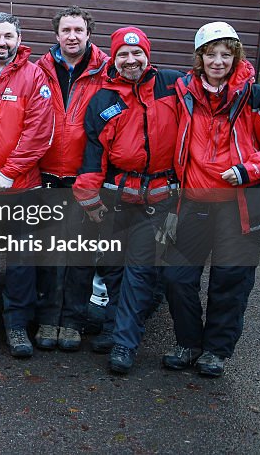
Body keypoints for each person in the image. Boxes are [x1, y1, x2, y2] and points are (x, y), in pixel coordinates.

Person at [162, 22, 260, 377]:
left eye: (225, 54)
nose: (218, 61)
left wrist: (249, 169)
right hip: (195, 201)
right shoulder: (184, 94)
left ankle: (215, 351)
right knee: (176, 276)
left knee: (230, 280)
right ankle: (188, 343)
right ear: (200, 57)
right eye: (211, 54)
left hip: (240, 204)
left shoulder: (255, 96)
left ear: (235, 56)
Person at [73, 27, 182, 374]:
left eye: (137, 54)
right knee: (113, 267)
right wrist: (88, 197)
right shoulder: (104, 99)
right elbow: (94, 154)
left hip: (161, 196)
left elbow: (215, 89)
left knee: (139, 271)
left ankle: (124, 343)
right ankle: (114, 327)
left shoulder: (173, 86)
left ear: (147, 55)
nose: (131, 60)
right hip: (119, 194)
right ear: (114, 58)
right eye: (123, 54)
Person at [0, 12, 53, 358]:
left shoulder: (34, 77)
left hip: (20, 186)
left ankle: (16, 324)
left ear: (19, 40)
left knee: (20, 261)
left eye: (8, 37)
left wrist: (9, 172)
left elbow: (38, 133)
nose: (1, 43)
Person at [35, 6, 109, 351]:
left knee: (81, 255)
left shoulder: (106, 70)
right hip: (48, 175)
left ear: (88, 33)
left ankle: (73, 321)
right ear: (57, 34)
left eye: (78, 30)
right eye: (66, 30)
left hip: (85, 176)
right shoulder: (40, 69)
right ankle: (49, 319)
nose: (72, 36)